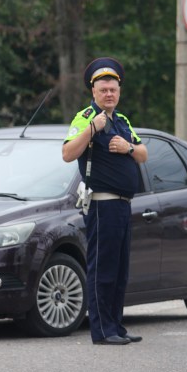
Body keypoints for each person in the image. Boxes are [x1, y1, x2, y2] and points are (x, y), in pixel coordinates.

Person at [62, 57, 148, 346]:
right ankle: (102, 331)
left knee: (121, 269)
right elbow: (67, 153)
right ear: (94, 92)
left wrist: (129, 147)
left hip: (123, 204)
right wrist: (93, 129)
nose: (109, 94)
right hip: (102, 204)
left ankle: (117, 326)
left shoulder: (121, 121)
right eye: (103, 90)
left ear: (119, 91)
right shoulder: (85, 117)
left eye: (113, 89)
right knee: (103, 268)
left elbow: (144, 154)